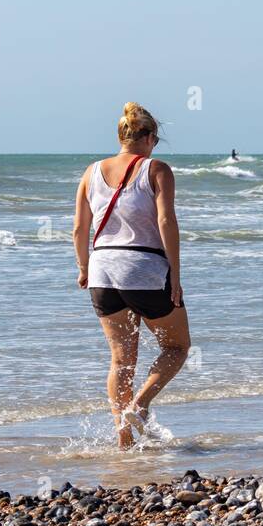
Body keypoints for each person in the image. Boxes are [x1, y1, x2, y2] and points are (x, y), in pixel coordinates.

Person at [73, 102, 190, 448]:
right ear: (150, 137)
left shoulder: (91, 171)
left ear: (121, 136)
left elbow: (80, 228)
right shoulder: (157, 169)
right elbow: (166, 221)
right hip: (145, 269)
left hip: (102, 271)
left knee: (121, 360)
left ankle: (123, 438)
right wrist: (177, 275)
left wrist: (83, 267)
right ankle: (138, 408)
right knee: (178, 346)